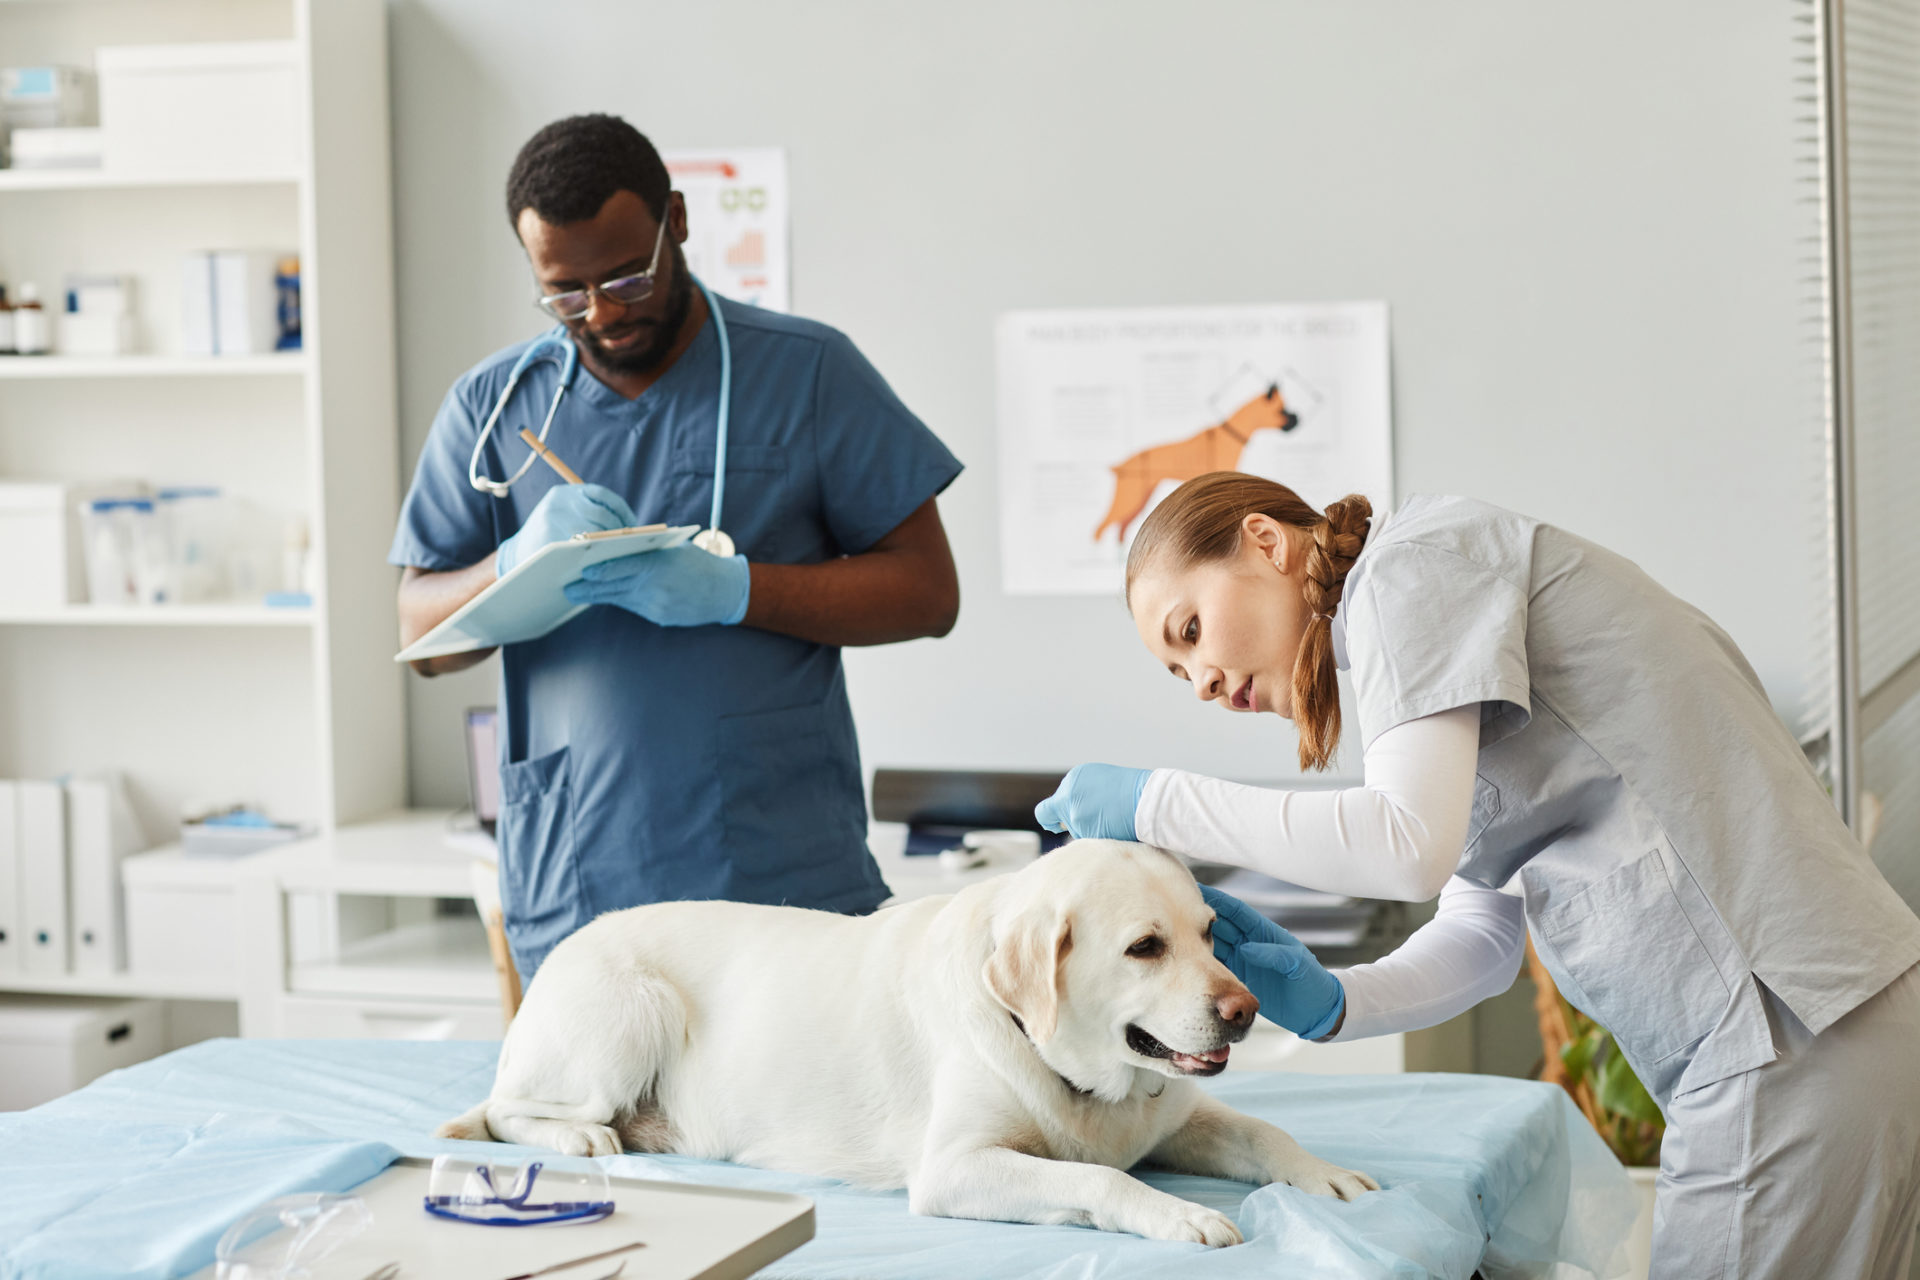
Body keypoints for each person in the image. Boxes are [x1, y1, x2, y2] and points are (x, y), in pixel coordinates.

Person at [1035, 470, 1920, 1279]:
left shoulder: (1412, 573)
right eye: (1177, 670)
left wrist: (1157, 802)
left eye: (1189, 631)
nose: (1200, 681)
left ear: (1266, 541)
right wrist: (1337, 1001)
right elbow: (1484, 936)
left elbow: (1404, 845)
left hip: (1788, 1033)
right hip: (1828, 1028)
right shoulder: (1437, 663)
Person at [392, 115, 962, 983]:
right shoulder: (493, 405)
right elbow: (420, 638)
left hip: (780, 881)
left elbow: (928, 594)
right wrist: (510, 570)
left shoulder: (808, 373)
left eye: (626, 275)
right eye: (566, 293)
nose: (603, 312)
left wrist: (739, 590)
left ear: (679, 222)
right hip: (578, 877)